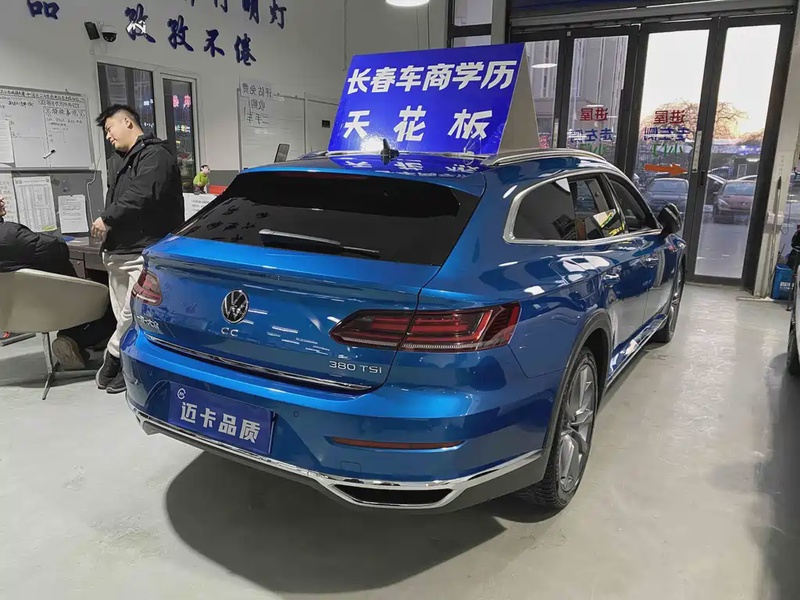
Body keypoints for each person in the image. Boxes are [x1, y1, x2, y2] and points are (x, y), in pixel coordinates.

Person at [92, 104, 184, 395]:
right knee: (123, 314)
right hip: (117, 251)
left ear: (127, 122)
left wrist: (107, 218)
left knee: (133, 313)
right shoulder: (118, 161)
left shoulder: (156, 156)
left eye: (110, 128)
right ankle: (126, 362)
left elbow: (142, 194)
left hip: (143, 251)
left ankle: (114, 356)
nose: (109, 136)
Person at [0, 197, 116, 369]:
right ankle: (74, 338)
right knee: (114, 300)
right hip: (51, 302)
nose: (2, 199)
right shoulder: (11, 234)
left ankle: (75, 340)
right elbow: (57, 248)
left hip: (14, 310)